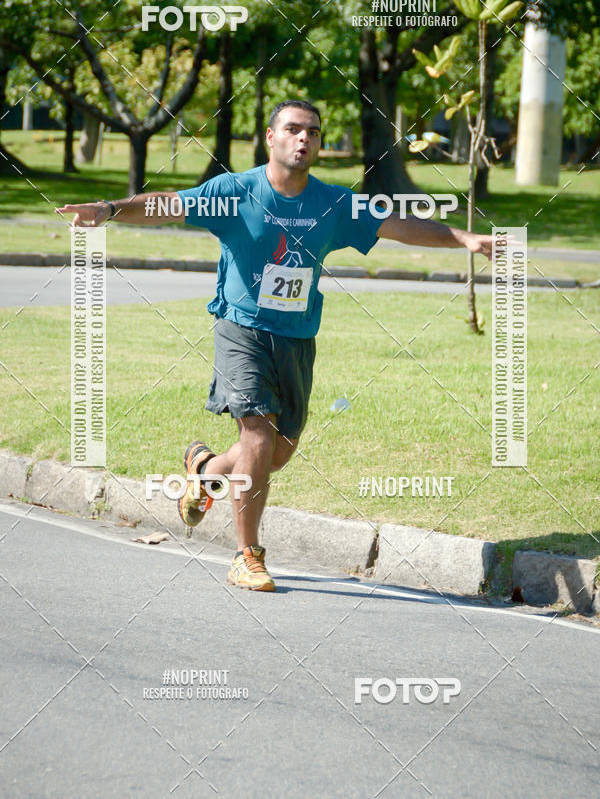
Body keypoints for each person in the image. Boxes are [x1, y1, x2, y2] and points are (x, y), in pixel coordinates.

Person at [57, 98, 496, 592]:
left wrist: (462, 237)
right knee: (258, 438)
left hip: (297, 337)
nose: (304, 138)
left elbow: (395, 223)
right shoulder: (234, 192)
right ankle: (246, 556)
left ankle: (205, 470)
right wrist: (108, 210)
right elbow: (168, 204)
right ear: (270, 137)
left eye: (313, 131)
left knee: (277, 453)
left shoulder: (333, 203)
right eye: (292, 129)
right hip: (240, 328)